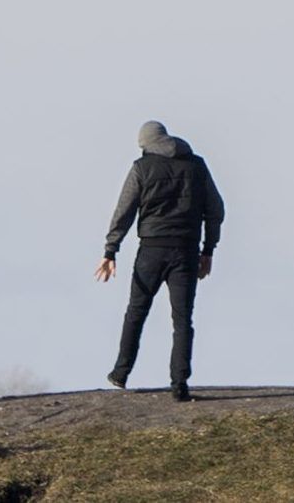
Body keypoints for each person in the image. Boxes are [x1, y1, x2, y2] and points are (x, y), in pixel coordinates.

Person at [95, 119, 224, 402]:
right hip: (187, 251)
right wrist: (208, 250)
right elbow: (215, 209)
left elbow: (124, 211)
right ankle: (180, 384)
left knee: (136, 312)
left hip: (151, 251)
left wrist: (110, 251)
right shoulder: (197, 166)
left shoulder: (141, 168)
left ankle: (120, 372)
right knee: (182, 319)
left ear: (146, 144)